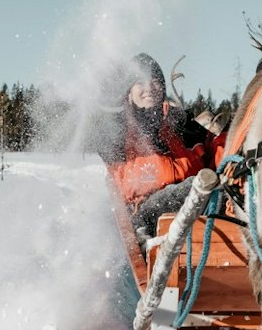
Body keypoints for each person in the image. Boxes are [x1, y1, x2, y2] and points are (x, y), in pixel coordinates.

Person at [91, 53, 225, 238]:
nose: (149, 87)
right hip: (149, 212)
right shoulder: (120, 129)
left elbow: (218, 151)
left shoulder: (181, 124)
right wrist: (140, 120)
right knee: (195, 187)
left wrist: (242, 130)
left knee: (225, 190)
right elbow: (104, 142)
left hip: (201, 204)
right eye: (140, 82)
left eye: (155, 81)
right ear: (128, 93)